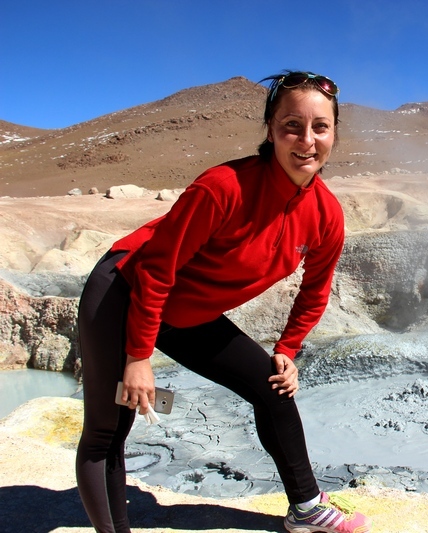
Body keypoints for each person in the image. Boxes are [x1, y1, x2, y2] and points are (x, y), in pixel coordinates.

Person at [76, 70, 371, 533]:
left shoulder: (326, 213)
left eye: (320, 126)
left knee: (271, 386)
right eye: (292, 125)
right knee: (108, 429)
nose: (306, 140)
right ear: (271, 130)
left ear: (334, 132)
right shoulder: (224, 187)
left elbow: (316, 291)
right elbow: (156, 270)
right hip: (123, 292)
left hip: (186, 313)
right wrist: (138, 357)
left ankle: (307, 509)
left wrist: (288, 349)